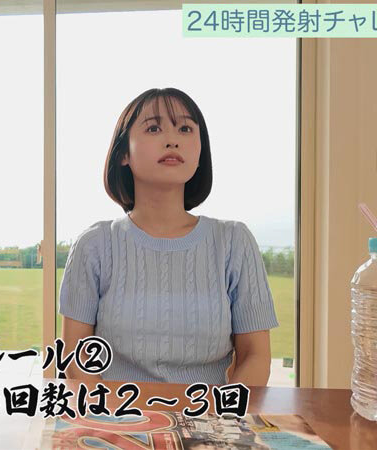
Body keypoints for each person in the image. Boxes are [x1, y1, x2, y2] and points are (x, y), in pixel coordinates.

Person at [59, 88, 277, 386]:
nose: (173, 140)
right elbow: (76, 358)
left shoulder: (234, 242)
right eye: (154, 128)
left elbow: (256, 356)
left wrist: (224, 411)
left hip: (210, 413)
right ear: (124, 154)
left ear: (200, 152)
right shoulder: (95, 245)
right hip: (114, 412)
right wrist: (110, 413)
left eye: (185, 129)